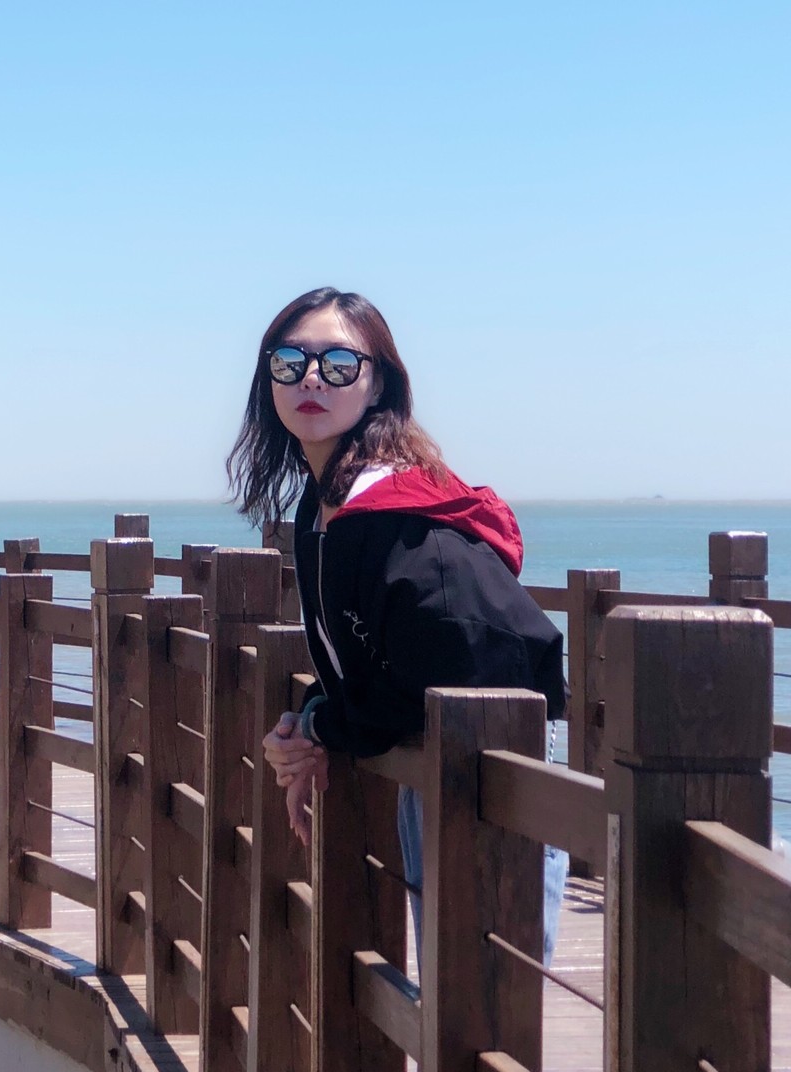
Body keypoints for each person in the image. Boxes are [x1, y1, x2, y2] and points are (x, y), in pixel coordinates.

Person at [228, 287, 567, 966]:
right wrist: (315, 719)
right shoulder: (325, 508)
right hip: (435, 750)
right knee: (451, 985)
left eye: (339, 363)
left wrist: (322, 729)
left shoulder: (400, 517)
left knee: (487, 985)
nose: (312, 378)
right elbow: (378, 662)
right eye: (289, 361)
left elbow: (458, 669)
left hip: (496, 758)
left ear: (379, 382)